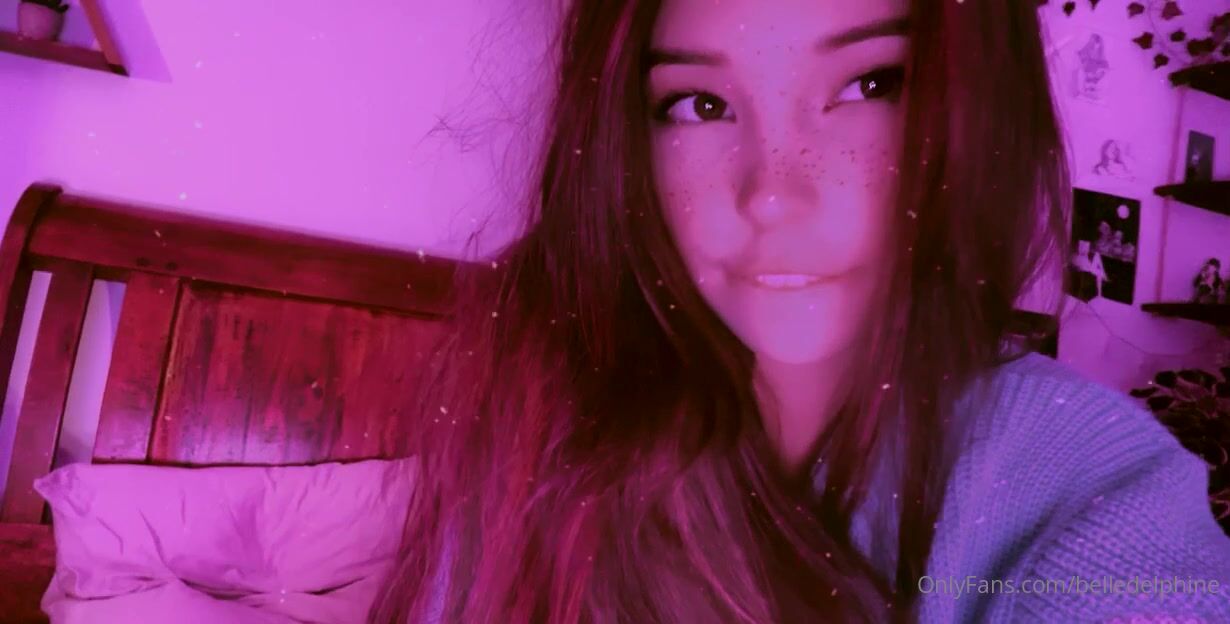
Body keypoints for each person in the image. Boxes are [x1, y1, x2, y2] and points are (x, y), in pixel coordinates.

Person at [370, 1, 1230, 622]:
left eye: (869, 84)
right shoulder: (539, 420)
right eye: (700, 105)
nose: (773, 194)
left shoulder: (1094, 488)